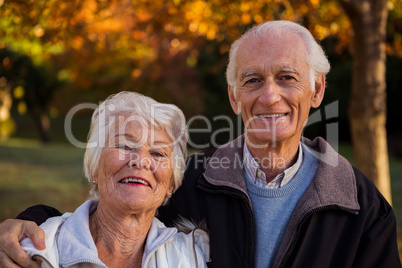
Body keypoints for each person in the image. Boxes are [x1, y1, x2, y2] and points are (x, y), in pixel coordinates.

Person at [0, 20, 400, 268]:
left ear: (317, 89)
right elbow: (113, 215)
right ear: (233, 97)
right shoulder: (192, 180)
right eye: (253, 80)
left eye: (287, 78)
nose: (270, 96)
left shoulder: (362, 207)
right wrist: (30, 222)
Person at [1, 91, 210, 267]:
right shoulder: (35, 251)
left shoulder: (192, 257)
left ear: (171, 185)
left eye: (157, 153)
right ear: (94, 168)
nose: (140, 161)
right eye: (125, 146)